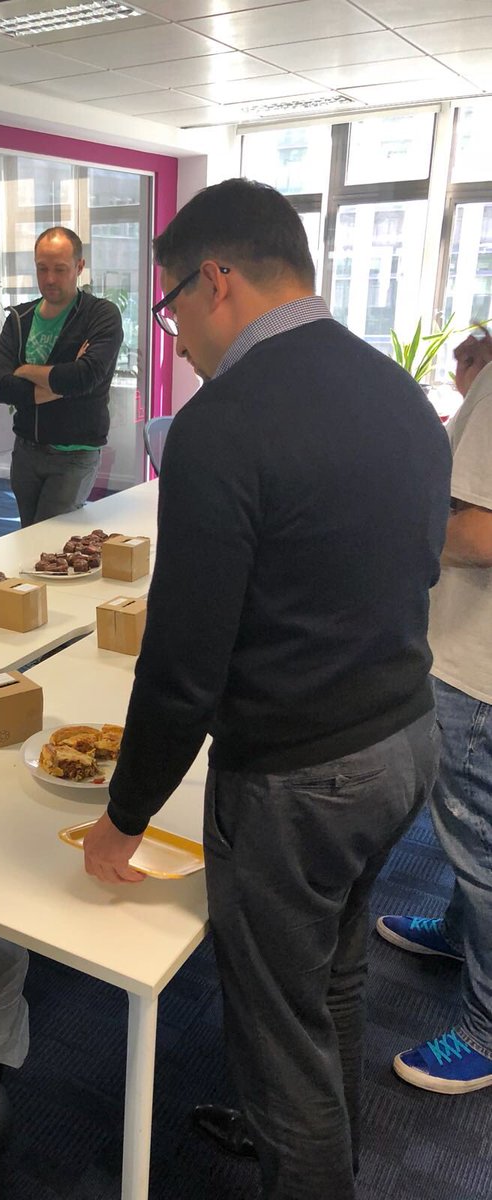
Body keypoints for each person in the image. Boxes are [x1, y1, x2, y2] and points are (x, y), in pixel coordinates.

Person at [81, 179, 452, 1200]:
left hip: (298, 781)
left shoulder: (221, 427)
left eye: (172, 311)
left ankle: (308, 1159)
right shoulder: (401, 393)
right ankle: (327, 1148)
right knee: (330, 981)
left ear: (217, 281)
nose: (179, 339)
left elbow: (185, 664)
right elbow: (418, 561)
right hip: (406, 743)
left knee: (275, 1038)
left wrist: (124, 815)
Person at [377, 327, 492, 1093]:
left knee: (481, 846)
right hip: (469, 653)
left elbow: (478, 532)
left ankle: (487, 1027)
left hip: (478, 665)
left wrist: (393, 521)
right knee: (466, 835)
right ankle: (456, 931)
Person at [0, 226, 123, 527]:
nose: (49, 279)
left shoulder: (100, 316)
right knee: (28, 538)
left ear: (79, 267)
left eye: (60, 269)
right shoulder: (19, 319)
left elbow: (83, 378)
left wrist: (24, 371)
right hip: (26, 451)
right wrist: (60, 383)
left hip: (75, 454)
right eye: (42, 269)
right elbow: (1, 387)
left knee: (49, 543)